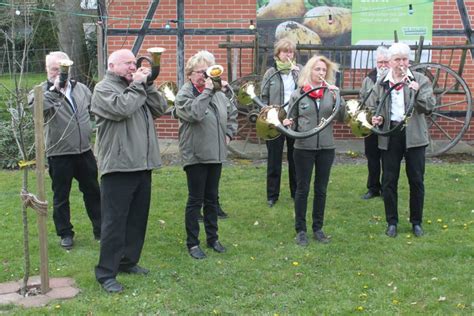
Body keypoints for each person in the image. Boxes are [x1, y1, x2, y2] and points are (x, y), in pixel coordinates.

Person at [91, 49, 168, 293]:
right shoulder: (103, 89)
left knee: (137, 219)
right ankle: (106, 274)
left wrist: (150, 84)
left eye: (134, 63)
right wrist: (137, 86)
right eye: (127, 64)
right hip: (118, 166)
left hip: (142, 164)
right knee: (114, 222)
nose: (132, 67)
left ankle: (128, 261)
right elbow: (122, 109)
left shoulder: (137, 87)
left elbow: (161, 109)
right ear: (112, 65)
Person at [28, 51, 101, 250]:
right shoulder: (40, 91)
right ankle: (65, 233)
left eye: (62, 69)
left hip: (84, 151)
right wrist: (55, 88)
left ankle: (101, 229)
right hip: (59, 154)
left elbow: (93, 110)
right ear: (47, 70)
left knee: (93, 191)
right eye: (54, 69)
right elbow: (36, 108)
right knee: (61, 196)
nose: (59, 73)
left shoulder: (82, 89)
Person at [174, 51, 237, 259]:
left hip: (216, 153)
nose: (205, 76)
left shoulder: (218, 93)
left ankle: (213, 238)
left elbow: (232, 112)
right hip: (196, 155)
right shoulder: (184, 94)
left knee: (212, 199)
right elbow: (194, 114)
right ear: (190, 74)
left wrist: (228, 134)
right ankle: (192, 243)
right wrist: (207, 92)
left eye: (208, 71)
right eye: (201, 72)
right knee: (195, 200)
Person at [370, 42, 436, 238]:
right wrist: (377, 118)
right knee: (389, 180)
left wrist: (415, 91)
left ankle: (416, 222)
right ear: (390, 62)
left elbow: (429, 106)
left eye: (404, 59)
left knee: (416, 180)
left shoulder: (420, 80)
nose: (401, 63)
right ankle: (392, 222)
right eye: (397, 59)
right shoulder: (382, 82)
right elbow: (374, 106)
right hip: (391, 135)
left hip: (414, 135)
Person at [284, 55, 347, 246]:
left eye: (323, 70)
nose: (321, 73)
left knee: (321, 189)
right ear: (309, 71)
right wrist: (288, 123)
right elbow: (290, 121)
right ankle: (301, 230)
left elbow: (343, 117)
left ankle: (317, 228)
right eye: (317, 69)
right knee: (302, 189)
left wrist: (339, 98)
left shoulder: (331, 92)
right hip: (303, 148)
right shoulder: (298, 94)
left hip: (326, 147)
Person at [260, 38, 300, 207]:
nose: (288, 55)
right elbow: (263, 96)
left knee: (296, 158)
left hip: (294, 121)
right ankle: (272, 195)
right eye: (285, 52)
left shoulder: (298, 71)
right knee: (274, 159)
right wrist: (270, 112)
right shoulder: (270, 73)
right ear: (278, 54)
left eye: (290, 52)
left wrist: (298, 74)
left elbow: (306, 91)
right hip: (275, 121)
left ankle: (296, 191)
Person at [360, 46, 390, 200]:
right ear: (376, 63)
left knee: (387, 158)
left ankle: (386, 189)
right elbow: (362, 100)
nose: (383, 65)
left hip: (387, 125)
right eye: (380, 62)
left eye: (386, 61)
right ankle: (373, 188)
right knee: (372, 157)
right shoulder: (368, 80)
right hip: (370, 125)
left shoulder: (392, 79)